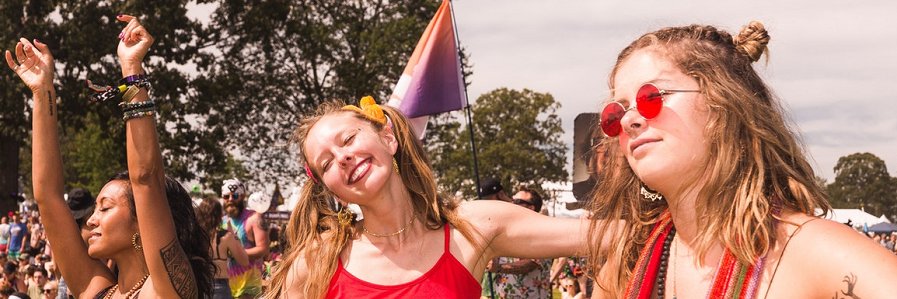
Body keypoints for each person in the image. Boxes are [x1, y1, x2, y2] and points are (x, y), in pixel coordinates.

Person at [586, 21, 897, 298]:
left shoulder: (812, 252)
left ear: (726, 105)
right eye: (616, 112)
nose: (629, 121)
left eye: (651, 97)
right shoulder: (628, 264)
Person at [264, 97, 591, 298]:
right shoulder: (318, 261)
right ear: (330, 187)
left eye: (348, 139)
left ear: (388, 138)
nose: (343, 157)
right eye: (327, 163)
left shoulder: (473, 226)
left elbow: (613, 235)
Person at [5, 15, 213, 298]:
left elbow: (145, 179)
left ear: (143, 222)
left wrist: (132, 70)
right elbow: (48, 196)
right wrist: (43, 91)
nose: (91, 220)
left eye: (105, 208)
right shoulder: (97, 290)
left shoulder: (165, 290)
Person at [486, 188, 552, 298]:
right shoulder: (509, 232)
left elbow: (531, 264)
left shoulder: (542, 232)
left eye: (517, 202)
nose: (512, 204)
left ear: (531, 207)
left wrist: (499, 267)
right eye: (512, 200)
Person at [220, 179, 268, 298]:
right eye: (226, 196)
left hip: (248, 289)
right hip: (227, 287)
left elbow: (263, 249)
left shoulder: (254, 218)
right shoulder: (222, 221)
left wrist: (236, 253)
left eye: (235, 196)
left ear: (242, 196)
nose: (230, 199)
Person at [194, 197, 250, 299]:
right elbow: (244, 261)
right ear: (219, 215)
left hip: (199, 284)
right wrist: (233, 235)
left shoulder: (195, 236)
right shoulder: (225, 236)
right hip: (220, 286)